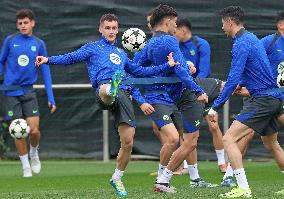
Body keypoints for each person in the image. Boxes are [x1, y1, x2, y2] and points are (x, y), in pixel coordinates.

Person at [36, 13, 176, 197]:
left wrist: (167, 65)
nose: (111, 31)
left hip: (124, 94)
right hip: (104, 91)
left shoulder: (121, 53)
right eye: (107, 28)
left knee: (128, 142)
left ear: (118, 30)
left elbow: (140, 72)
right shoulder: (92, 49)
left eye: (114, 28)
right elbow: (70, 58)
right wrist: (48, 59)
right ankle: (110, 90)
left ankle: (117, 178)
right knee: (106, 88)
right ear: (101, 29)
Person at [208, 6, 284, 198]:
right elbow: (256, 69)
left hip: (263, 100)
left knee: (228, 139)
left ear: (230, 22)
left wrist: (215, 106)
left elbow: (233, 78)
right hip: (273, 98)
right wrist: (241, 84)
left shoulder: (241, 43)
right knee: (271, 143)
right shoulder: (252, 38)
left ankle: (242, 187)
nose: (222, 27)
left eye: (223, 23)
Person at [0, 9, 56, 177]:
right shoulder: (10, 41)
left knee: (33, 131)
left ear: (33, 23)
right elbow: (1, 61)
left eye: (26, 22)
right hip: (10, 93)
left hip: (28, 92)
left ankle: (33, 153)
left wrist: (50, 97)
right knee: (18, 130)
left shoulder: (39, 44)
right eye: (20, 23)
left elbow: (45, 71)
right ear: (17, 25)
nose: (23, 26)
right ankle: (25, 167)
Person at [174, 18, 227, 173]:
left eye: (176, 30)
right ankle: (186, 166)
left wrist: (199, 89)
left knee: (213, 125)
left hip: (205, 89)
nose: (173, 33)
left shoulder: (201, 44)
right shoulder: (174, 46)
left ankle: (222, 162)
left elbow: (203, 71)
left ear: (183, 30)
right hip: (185, 92)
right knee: (185, 130)